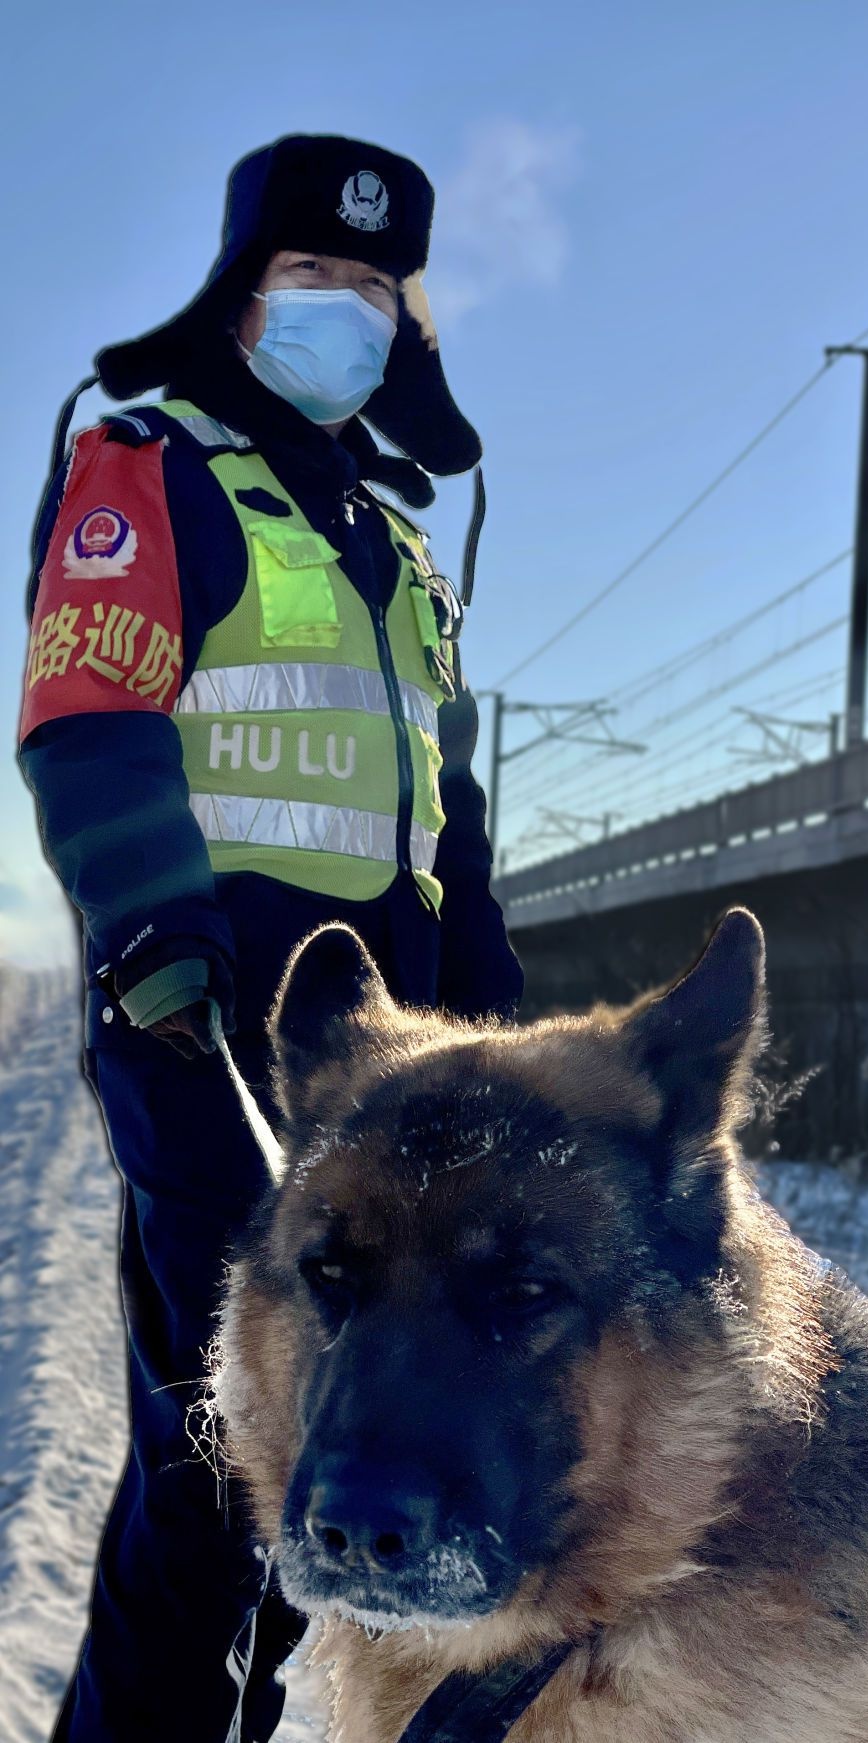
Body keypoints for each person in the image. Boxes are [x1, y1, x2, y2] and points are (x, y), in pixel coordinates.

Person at [17, 133, 522, 1743]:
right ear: (242, 299)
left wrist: (496, 1021)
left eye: (377, 286)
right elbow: (91, 720)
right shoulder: (149, 467)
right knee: (226, 1450)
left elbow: (450, 814)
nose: (348, 309)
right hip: (205, 1024)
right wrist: (156, 948)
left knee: (396, 1442)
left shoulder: (393, 538)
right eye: (315, 276)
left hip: (396, 1071)